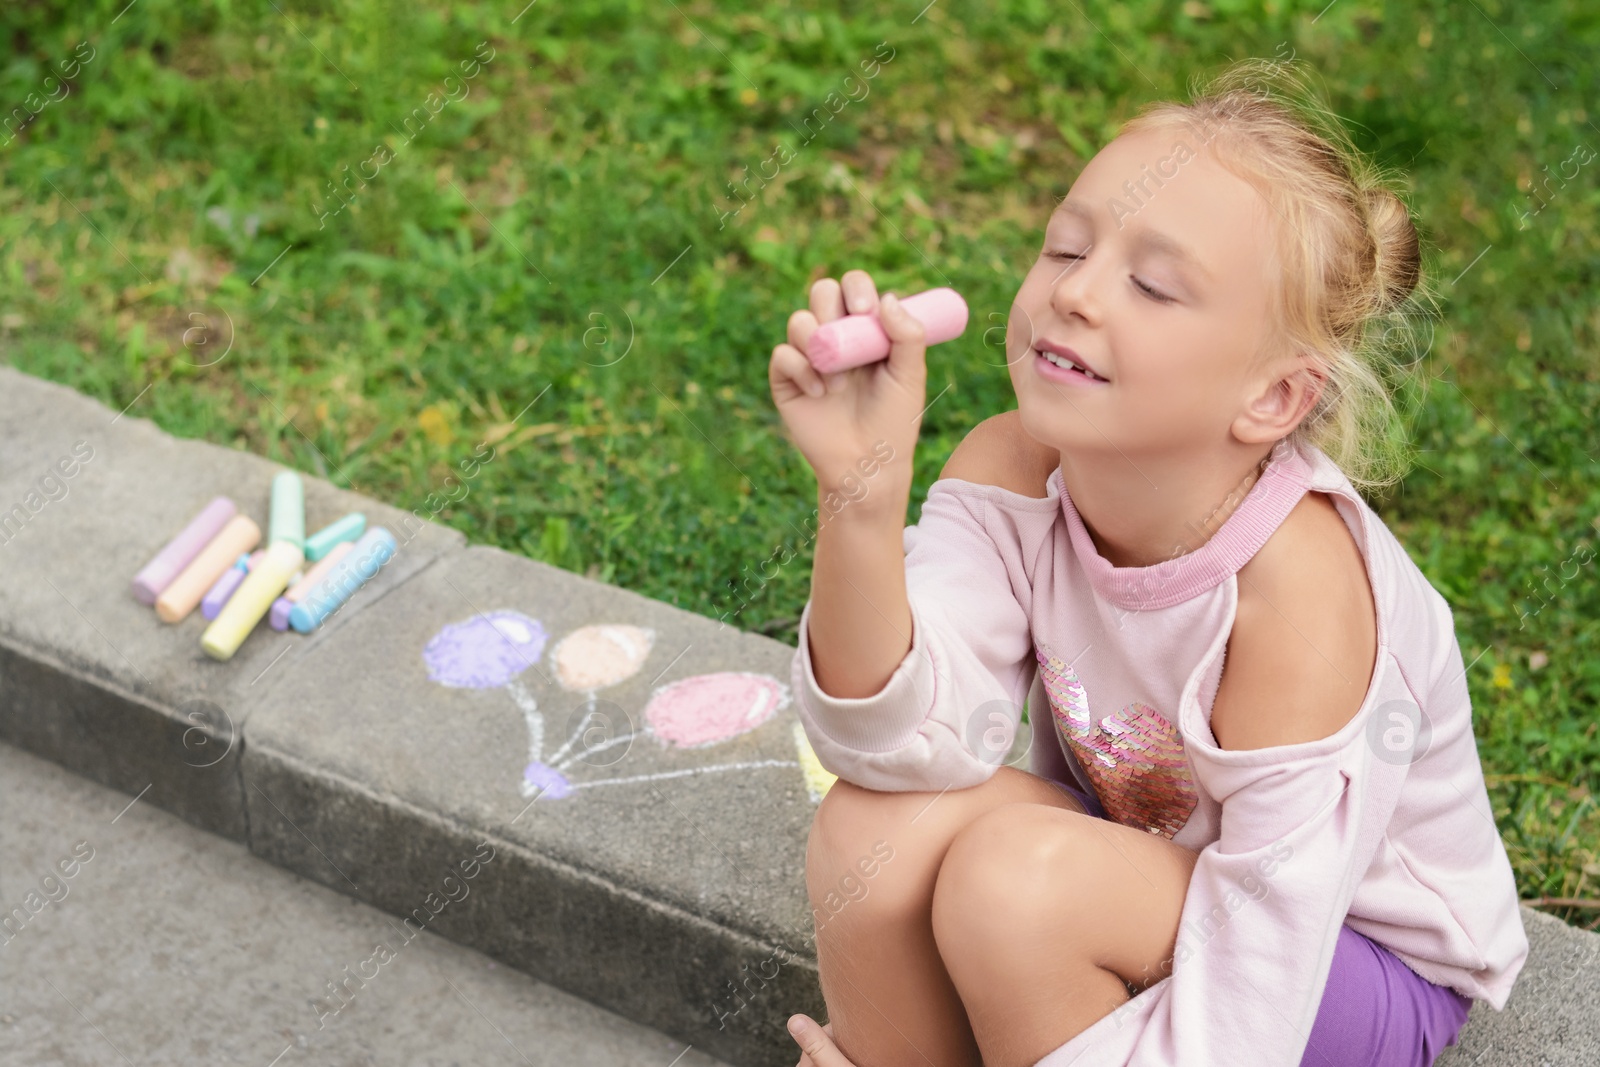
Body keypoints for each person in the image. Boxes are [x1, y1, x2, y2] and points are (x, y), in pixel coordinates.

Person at [765, 58, 1528, 1067]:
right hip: (1140, 875)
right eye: (1065, 247)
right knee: (873, 829)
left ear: (1273, 399)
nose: (1073, 292)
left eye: (1152, 284)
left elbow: (1256, 977)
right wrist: (860, 497)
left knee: (1018, 882)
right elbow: (898, 745)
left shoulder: (1298, 599)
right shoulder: (1014, 466)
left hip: (1340, 970)